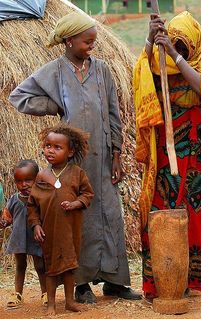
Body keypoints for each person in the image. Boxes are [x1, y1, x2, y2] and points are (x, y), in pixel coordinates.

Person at [9, 11, 141, 303]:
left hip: (104, 155)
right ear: (69, 40)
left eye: (93, 41)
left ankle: (115, 282)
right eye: (87, 41)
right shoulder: (54, 71)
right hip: (73, 162)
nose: (92, 45)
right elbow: (18, 97)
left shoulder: (103, 69)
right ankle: (80, 284)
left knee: (109, 214)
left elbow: (112, 112)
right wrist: (54, 105)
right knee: (79, 216)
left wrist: (117, 152)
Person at [133, 11, 201, 300]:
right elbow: (142, 71)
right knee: (159, 212)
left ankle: (188, 279)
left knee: (196, 215)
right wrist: (151, 40)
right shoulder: (157, 63)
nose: (177, 50)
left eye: (182, 46)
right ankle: (157, 282)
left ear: (194, 44)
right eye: (173, 44)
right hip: (165, 155)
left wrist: (175, 56)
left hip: (198, 155)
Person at [27, 124, 94, 315]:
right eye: (48, 146)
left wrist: (76, 204)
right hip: (49, 231)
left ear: (70, 151)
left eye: (58, 147)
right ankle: (51, 304)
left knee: (70, 266)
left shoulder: (77, 173)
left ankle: (70, 302)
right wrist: (36, 225)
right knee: (51, 267)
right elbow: (32, 205)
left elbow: (88, 194)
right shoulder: (41, 176)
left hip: (70, 230)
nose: (51, 150)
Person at [0, 160, 47, 308]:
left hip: (36, 238)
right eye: (19, 181)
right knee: (20, 265)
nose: (23, 185)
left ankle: (45, 293)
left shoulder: (41, 198)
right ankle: (17, 294)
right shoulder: (14, 199)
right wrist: (4, 222)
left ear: (37, 179)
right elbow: (7, 217)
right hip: (19, 238)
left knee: (40, 266)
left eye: (28, 180)